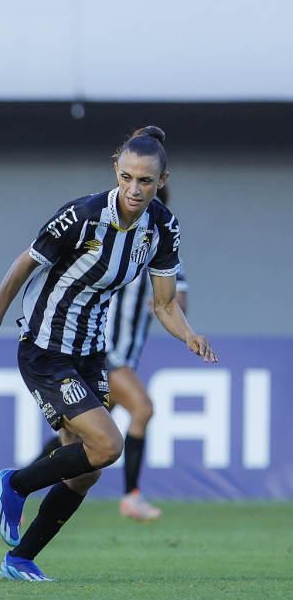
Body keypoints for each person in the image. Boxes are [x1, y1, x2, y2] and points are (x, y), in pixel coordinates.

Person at [0, 126, 216, 581]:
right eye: (127, 177)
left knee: (85, 470)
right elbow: (25, 262)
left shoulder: (162, 227)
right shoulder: (82, 216)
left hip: (92, 352)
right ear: (115, 168)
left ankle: (20, 560)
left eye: (146, 181)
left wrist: (189, 335)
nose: (134, 189)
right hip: (45, 346)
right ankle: (14, 483)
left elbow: (164, 303)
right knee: (108, 445)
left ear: (162, 180)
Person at [35, 185, 189, 522]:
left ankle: (23, 479)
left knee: (78, 439)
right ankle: (131, 496)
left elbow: (180, 302)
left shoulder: (163, 245)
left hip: (125, 355)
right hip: (103, 350)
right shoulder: (112, 237)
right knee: (143, 408)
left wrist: (167, 308)